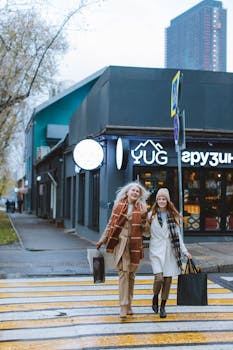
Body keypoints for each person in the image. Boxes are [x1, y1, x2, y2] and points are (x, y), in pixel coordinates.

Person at [96, 181, 149, 319]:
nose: (135, 193)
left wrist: (145, 220)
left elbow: (147, 232)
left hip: (135, 245)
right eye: (133, 190)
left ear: (139, 195)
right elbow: (110, 224)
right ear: (127, 192)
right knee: (124, 274)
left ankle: (129, 304)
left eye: (138, 191)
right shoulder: (118, 205)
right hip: (121, 244)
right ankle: (123, 306)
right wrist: (102, 239)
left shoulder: (142, 208)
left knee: (131, 276)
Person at [148, 188, 192, 318]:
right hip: (156, 250)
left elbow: (177, 236)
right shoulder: (150, 215)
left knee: (167, 280)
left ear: (167, 201)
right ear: (156, 200)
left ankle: (162, 306)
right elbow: (144, 231)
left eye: (164, 199)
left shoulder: (172, 215)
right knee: (159, 278)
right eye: (159, 199)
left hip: (171, 251)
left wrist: (185, 252)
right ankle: (155, 296)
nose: (161, 201)